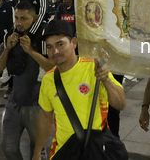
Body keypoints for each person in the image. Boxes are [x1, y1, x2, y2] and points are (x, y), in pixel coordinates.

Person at [32, 20, 126, 159]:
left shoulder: (94, 68)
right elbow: (46, 117)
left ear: (74, 43)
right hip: (64, 150)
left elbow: (120, 104)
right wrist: (37, 152)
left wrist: (106, 80)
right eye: (50, 47)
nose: (55, 51)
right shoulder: (48, 79)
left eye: (60, 44)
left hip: (94, 148)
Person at [0, 1, 55, 160]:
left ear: (34, 18)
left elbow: (53, 68)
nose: (19, 23)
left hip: (38, 105)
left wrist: (31, 51)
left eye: (24, 18)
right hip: (14, 103)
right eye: (16, 18)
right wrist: (7, 48)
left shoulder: (44, 37)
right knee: (8, 147)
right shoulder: (11, 35)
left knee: (38, 150)